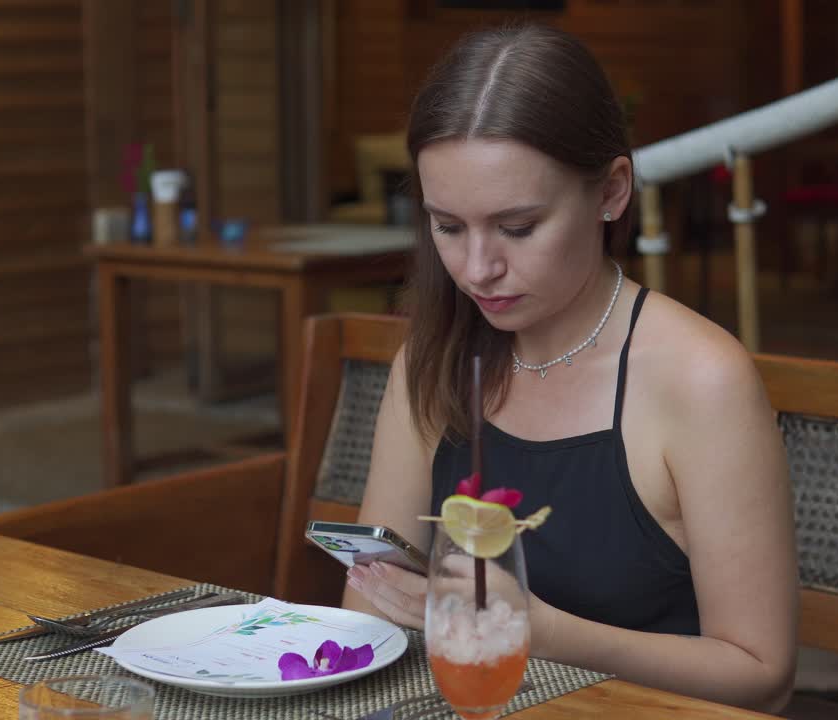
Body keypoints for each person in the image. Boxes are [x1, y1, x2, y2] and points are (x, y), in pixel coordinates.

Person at [342, 23, 798, 714]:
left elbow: (763, 674)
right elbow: (371, 611)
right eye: (447, 226)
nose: (476, 268)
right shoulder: (432, 362)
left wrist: (545, 633)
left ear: (611, 192)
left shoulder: (700, 380)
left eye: (518, 227)